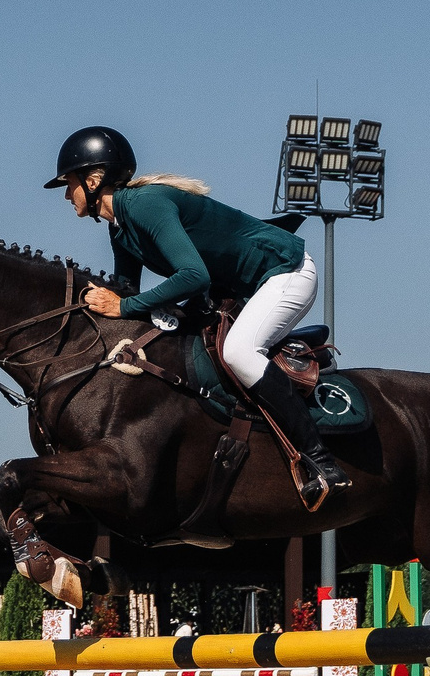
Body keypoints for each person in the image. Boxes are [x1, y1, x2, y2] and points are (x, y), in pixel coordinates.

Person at [46, 125, 355, 508]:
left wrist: (122, 306)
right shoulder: (120, 227)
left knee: (239, 351)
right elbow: (126, 291)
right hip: (244, 287)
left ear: (93, 181)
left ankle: (322, 462)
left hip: (286, 272)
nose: (66, 195)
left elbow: (193, 276)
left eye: (69, 184)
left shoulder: (144, 205)